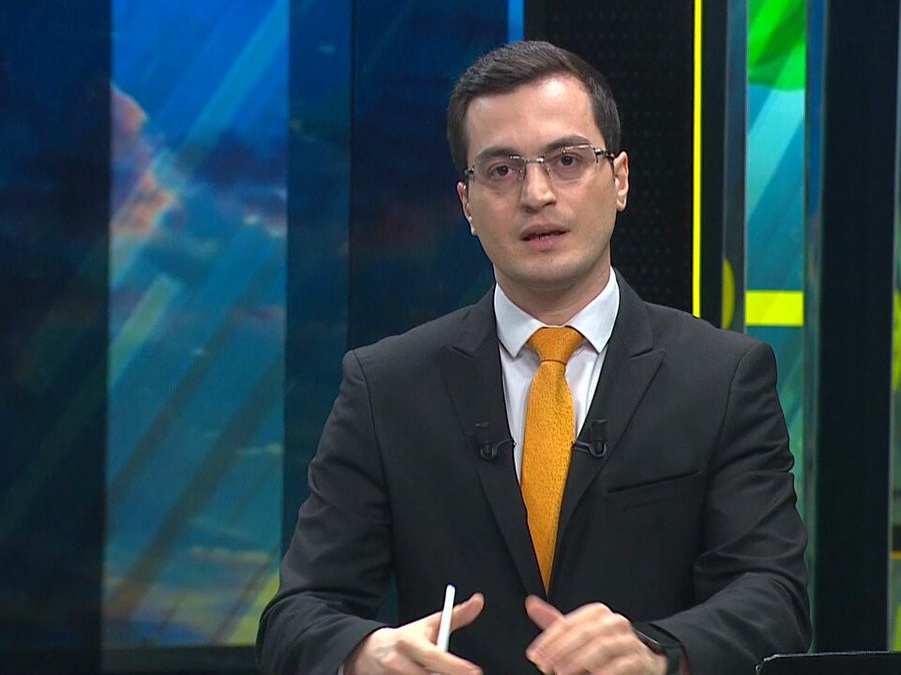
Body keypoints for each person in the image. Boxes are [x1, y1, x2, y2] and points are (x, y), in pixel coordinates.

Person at [257, 40, 810, 674]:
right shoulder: (386, 387)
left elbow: (775, 600)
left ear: (620, 179)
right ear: (467, 204)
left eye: (567, 160)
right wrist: (364, 653)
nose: (537, 194)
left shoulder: (723, 378)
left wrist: (660, 653)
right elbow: (296, 616)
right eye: (501, 170)